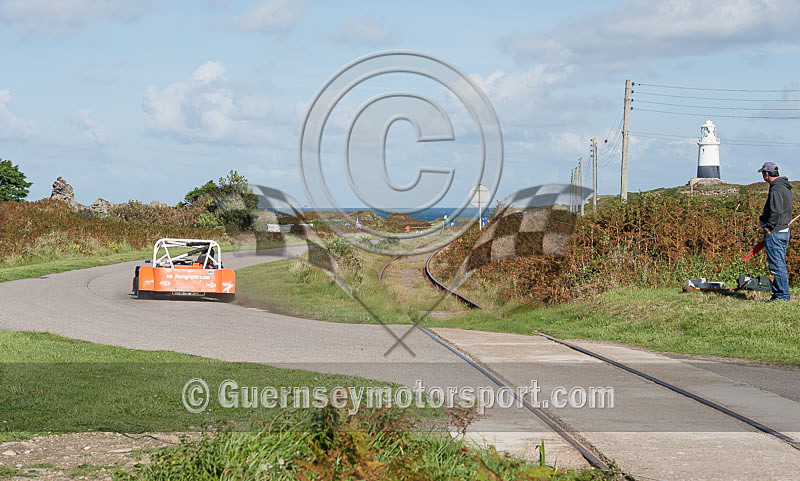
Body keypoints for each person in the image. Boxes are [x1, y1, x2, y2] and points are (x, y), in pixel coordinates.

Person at [757, 162, 793, 302]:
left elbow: (776, 211)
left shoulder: (776, 189)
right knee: (779, 265)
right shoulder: (785, 187)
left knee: (777, 267)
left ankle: (782, 296)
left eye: (763, 173)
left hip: (775, 232)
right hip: (783, 230)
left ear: (766, 174)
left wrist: (768, 228)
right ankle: (780, 294)